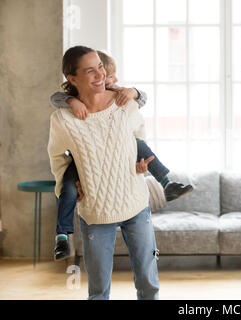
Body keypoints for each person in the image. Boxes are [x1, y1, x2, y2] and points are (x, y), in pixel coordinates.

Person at [50, 50, 193, 261]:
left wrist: (133, 91)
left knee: (139, 144)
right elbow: (56, 98)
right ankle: (62, 235)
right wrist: (72, 101)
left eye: (103, 71)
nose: (110, 79)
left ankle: (167, 183)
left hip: (130, 194)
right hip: (82, 164)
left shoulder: (119, 98)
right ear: (74, 79)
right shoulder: (66, 109)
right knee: (68, 188)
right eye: (107, 75)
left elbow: (141, 100)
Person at [48, 45, 159, 299]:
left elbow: (139, 140)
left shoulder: (125, 105)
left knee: (148, 282)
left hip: (136, 203)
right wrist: (67, 184)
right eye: (90, 71)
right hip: (95, 211)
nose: (100, 75)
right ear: (72, 79)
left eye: (100, 67)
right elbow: (57, 158)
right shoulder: (62, 119)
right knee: (98, 291)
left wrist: (140, 164)